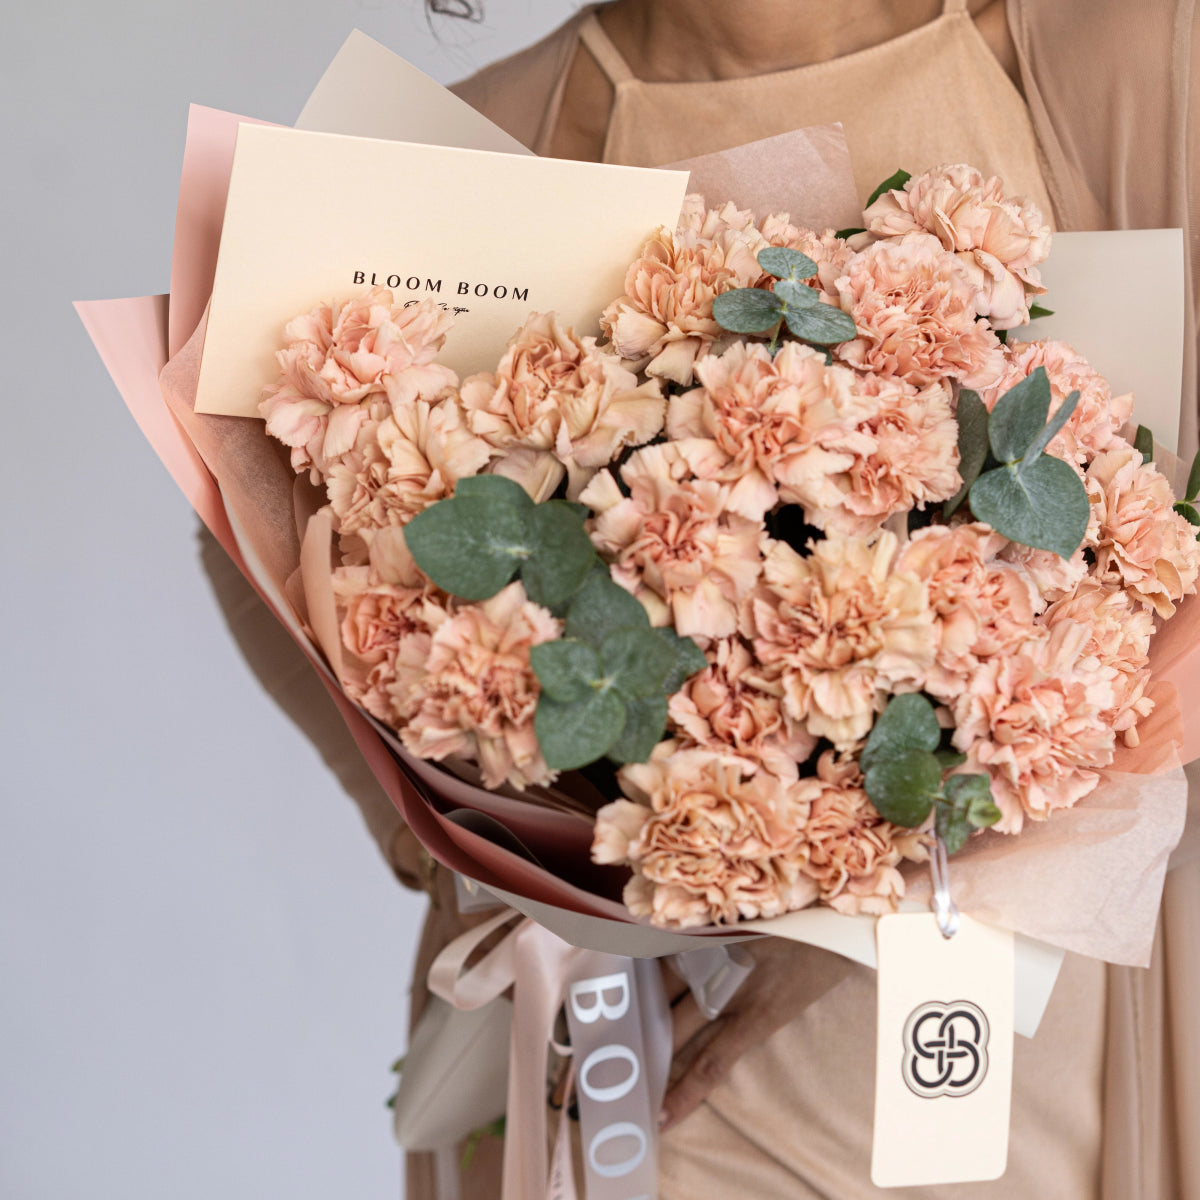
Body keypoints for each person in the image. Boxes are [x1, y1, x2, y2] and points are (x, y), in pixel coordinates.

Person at [205, 2, 1200, 1196]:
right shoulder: (481, 128)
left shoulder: (1133, 51)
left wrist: (864, 900)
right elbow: (258, 520)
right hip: (624, 1023)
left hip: (982, 1024)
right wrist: (482, 855)